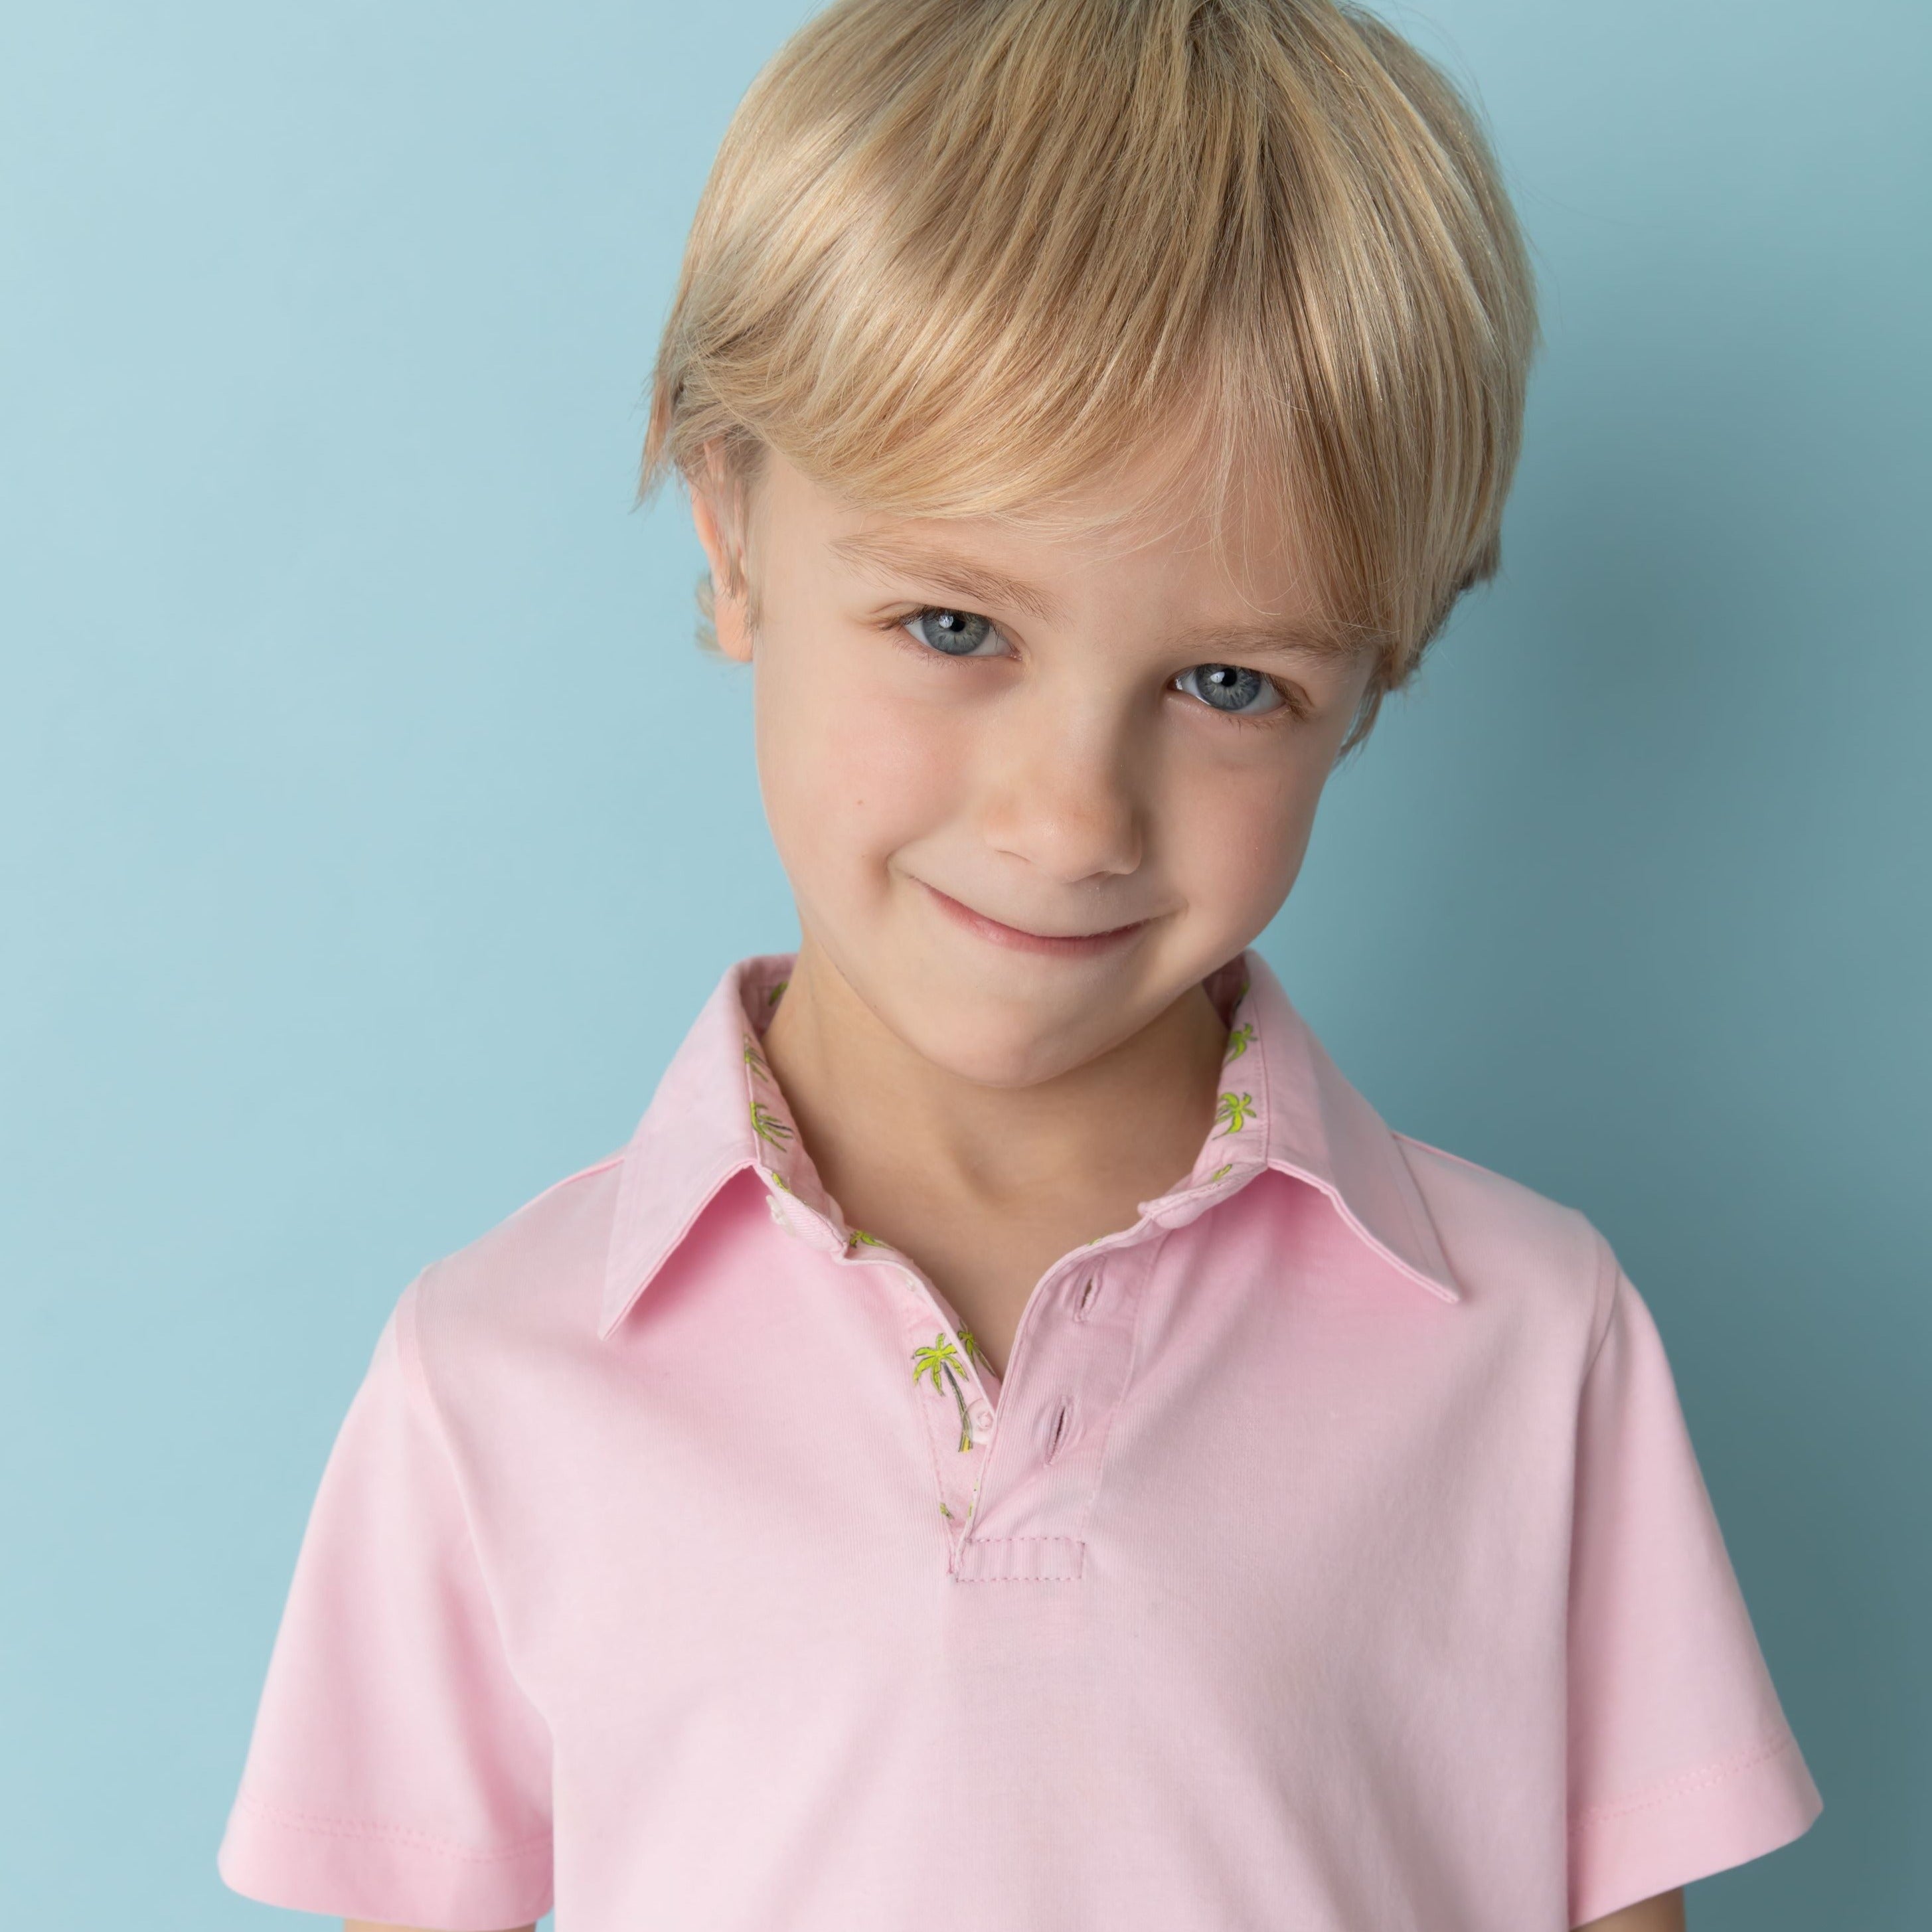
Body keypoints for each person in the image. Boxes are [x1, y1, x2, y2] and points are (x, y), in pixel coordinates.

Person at [214, 1, 1823, 1927]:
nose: (1070, 822)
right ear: (734, 536)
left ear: (1374, 681)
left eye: (1227, 682)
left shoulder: (1536, 1345)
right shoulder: (492, 1375)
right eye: (955, 627)